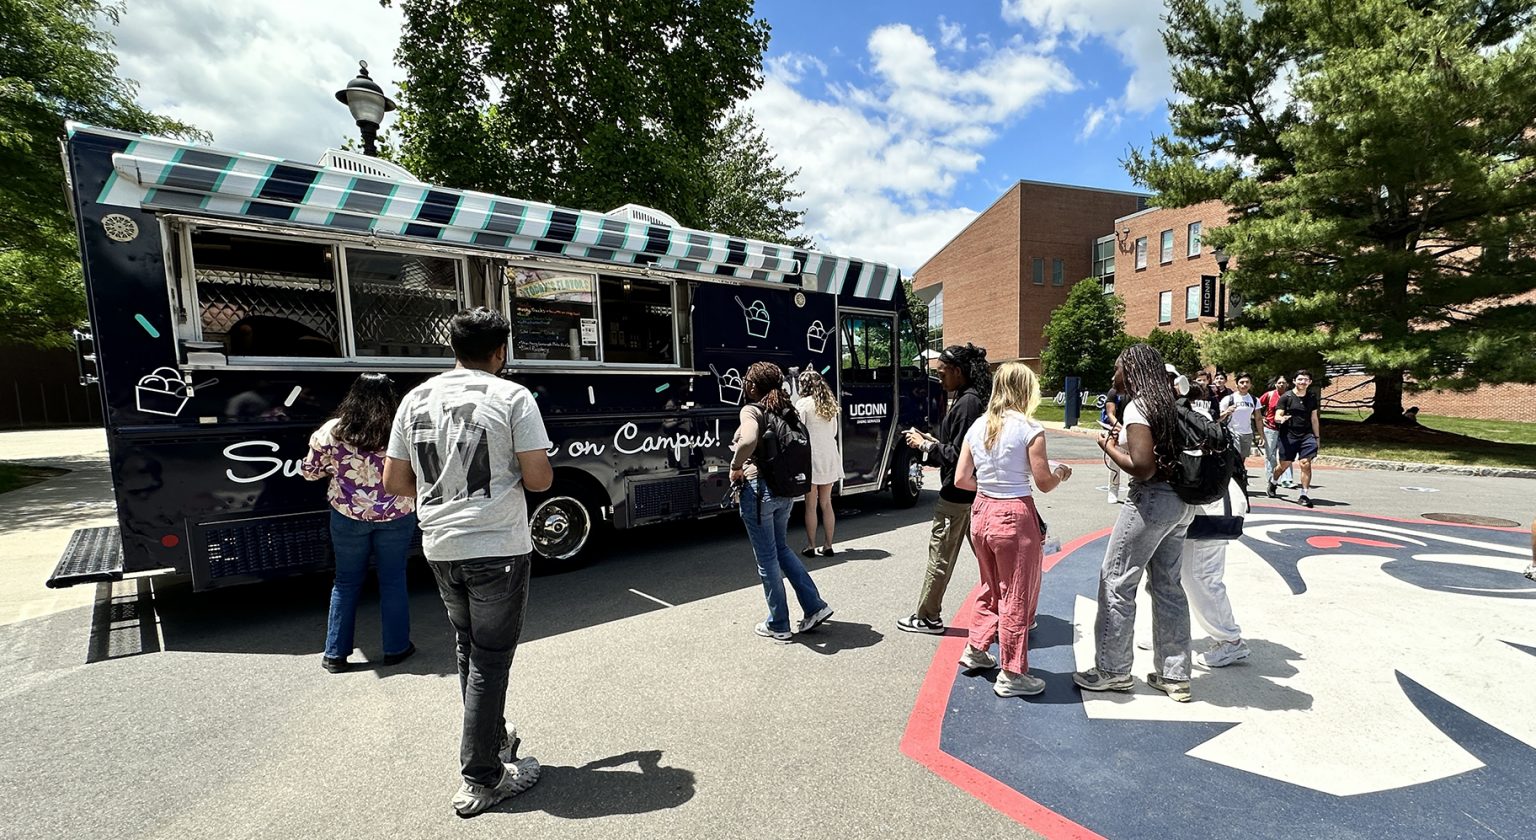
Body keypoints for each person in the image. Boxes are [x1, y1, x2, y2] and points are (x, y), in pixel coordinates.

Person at [382, 307, 552, 817]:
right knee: (491, 657)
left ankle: (494, 738)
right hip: (497, 544)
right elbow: (540, 479)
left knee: (470, 647)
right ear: (501, 350)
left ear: (452, 348)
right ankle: (482, 776)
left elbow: (394, 483)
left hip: (441, 546)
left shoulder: (415, 399)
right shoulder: (512, 396)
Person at [1074, 344, 1197, 702]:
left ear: (1132, 370)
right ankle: (1175, 675)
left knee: (1117, 580)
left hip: (1151, 501)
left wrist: (1108, 447)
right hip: (1182, 503)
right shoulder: (1169, 404)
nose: (1113, 377)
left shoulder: (1139, 407)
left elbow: (1143, 466)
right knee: (1168, 586)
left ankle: (1113, 670)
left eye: (1117, 369)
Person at [951, 362, 1072, 697]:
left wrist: (989, 490)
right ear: (1026, 390)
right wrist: (1061, 472)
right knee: (1017, 593)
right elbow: (1044, 482)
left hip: (982, 512)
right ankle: (1013, 672)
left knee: (991, 587)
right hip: (1014, 514)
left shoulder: (978, 426)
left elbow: (962, 479)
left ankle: (976, 648)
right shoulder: (1028, 428)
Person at [300, 373, 417, 674]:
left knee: (346, 582)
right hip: (397, 514)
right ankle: (396, 648)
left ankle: (335, 655)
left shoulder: (332, 431)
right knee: (393, 581)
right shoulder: (402, 430)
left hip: (348, 516)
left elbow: (310, 472)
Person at [730, 362, 834, 641]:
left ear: (752, 386)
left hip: (759, 491)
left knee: (767, 560)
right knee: (781, 549)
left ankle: (778, 623)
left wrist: (735, 465)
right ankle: (814, 606)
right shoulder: (786, 409)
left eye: (746, 381)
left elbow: (749, 438)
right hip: (785, 490)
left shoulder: (752, 409)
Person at [897, 343, 991, 634]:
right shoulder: (970, 399)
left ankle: (927, 616)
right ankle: (1013, 610)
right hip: (972, 493)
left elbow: (959, 454)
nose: (939, 378)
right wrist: (930, 441)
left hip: (957, 494)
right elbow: (956, 446)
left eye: (942, 372)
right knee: (990, 559)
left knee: (941, 557)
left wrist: (925, 445)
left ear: (957, 371)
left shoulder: (967, 404)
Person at [795, 369, 843, 557]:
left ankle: (811, 545)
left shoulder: (802, 404)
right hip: (829, 456)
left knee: (810, 505)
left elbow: (799, 433)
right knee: (826, 503)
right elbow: (833, 432)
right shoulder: (829, 404)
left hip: (811, 458)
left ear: (803, 385)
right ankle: (828, 545)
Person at [1270, 369, 1322, 508]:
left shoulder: (1311, 397)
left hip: (1307, 435)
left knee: (1305, 463)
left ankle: (1304, 495)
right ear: (1294, 381)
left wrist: (1317, 437)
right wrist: (1281, 419)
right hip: (1288, 436)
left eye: (1305, 379)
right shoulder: (1286, 397)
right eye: (1300, 379)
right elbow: (1277, 416)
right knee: (1284, 466)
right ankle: (1273, 482)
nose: (1302, 382)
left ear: (1310, 382)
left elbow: (1314, 419)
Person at [1219, 372, 1262, 488]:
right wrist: (1227, 411)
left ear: (1250, 384)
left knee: (1242, 459)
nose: (1244, 385)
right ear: (1237, 384)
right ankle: (1233, 481)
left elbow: (1258, 418)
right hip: (1233, 432)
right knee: (1234, 457)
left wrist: (1261, 436)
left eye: (1247, 382)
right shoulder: (1229, 399)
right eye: (1242, 382)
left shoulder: (1254, 400)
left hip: (1247, 433)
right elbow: (1218, 417)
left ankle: (1238, 477)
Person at [1257, 376, 1295, 489]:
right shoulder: (1269, 395)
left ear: (1287, 384)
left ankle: (1287, 480)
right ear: (1275, 384)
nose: (1281, 385)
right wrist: (1261, 417)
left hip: (1287, 429)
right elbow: (1256, 405)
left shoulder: (1291, 396)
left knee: (1287, 455)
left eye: (1284, 383)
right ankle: (1272, 480)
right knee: (1270, 455)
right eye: (1279, 383)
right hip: (1271, 428)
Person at [1103, 384, 1129, 504]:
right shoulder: (1113, 392)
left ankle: (1132, 490)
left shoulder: (1137, 390)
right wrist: (1121, 428)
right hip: (1118, 430)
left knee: (1133, 461)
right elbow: (1110, 414)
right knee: (1114, 463)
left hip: (1134, 430)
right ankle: (1113, 490)